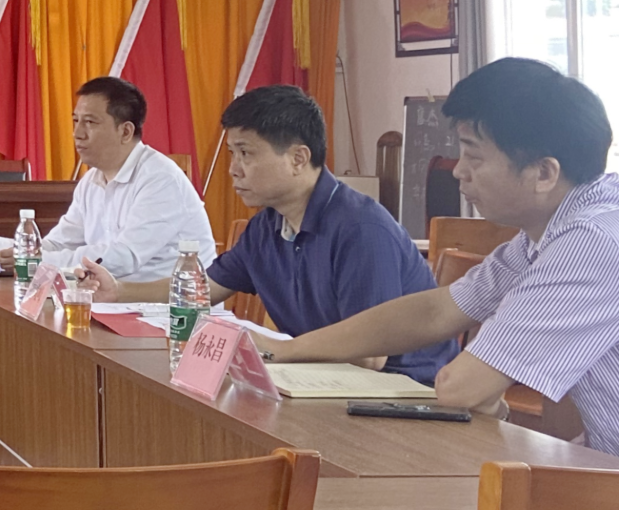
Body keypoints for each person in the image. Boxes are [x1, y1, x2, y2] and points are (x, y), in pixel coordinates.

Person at [268, 58, 619, 470]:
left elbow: (462, 389)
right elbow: (437, 311)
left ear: (544, 172)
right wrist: (284, 351)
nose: (458, 170)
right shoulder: (564, 224)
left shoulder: (595, 242)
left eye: (474, 155)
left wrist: (486, 397)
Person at [82, 84, 454, 382]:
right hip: (328, 381)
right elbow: (202, 287)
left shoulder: (361, 229)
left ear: (297, 158)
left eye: (246, 153)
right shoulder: (267, 226)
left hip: (405, 393)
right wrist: (120, 290)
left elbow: (369, 356)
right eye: (232, 154)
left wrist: (279, 350)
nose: (234, 169)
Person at [0, 76, 214, 282]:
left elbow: (123, 258)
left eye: (90, 122)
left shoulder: (160, 179)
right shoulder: (91, 180)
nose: (77, 133)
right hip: (115, 303)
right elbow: (57, 244)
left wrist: (37, 261)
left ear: (126, 131)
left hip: (170, 313)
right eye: (75, 121)